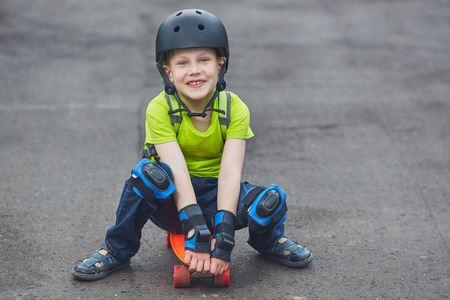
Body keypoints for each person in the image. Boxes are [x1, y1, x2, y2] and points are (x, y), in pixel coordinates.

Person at [71, 8, 312, 281]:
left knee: (269, 201)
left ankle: (268, 241)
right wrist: (194, 227)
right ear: (169, 72)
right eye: (182, 63)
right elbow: (177, 169)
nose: (195, 70)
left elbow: (230, 172)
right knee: (148, 175)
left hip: (216, 194)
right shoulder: (159, 108)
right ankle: (117, 248)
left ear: (221, 64)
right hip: (173, 200)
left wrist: (224, 233)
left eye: (204, 60)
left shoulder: (235, 108)